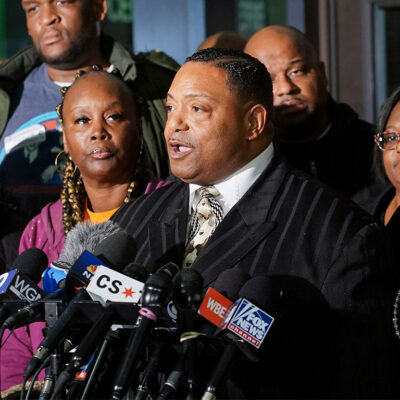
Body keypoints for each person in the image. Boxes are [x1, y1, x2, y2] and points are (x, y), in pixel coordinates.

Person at [112, 48, 397, 398]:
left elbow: (362, 383)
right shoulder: (131, 220)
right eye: (171, 107)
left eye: (197, 109)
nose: (175, 124)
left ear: (254, 123)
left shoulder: (341, 236)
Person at [0, 69, 169, 394]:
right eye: (81, 120)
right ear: (64, 136)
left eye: (114, 116)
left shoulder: (172, 210)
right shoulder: (41, 228)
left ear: (138, 126)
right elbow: (19, 338)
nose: (98, 132)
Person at [0, 0, 178, 238]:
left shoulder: (160, 88)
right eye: (33, 8)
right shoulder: (6, 93)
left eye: (62, 2)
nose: (47, 18)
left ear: (98, 7)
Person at [244, 25, 375, 197]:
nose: (286, 88)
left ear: (321, 72)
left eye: (296, 71)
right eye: (269, 80)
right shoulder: (245, 161)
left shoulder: (374, 147)